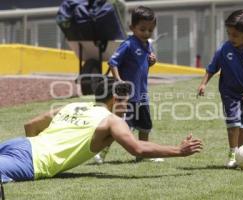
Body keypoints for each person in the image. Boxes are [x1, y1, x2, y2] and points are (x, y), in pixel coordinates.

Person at [0, 78, 203, 182]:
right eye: (125, 102)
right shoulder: (111, 120)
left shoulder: (73, 106)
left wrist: (36, 147)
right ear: (115, 99)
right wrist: (178, 151)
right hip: (32, 161)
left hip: (20, 145)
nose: (127, 107)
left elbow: (31, 125)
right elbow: (137, 148)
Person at [197, 10, 243, 168]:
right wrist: (203, 84)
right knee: (233, 124)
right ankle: (232, 154)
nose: (231, 38)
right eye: (229, 33)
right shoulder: (224, 49)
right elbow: (211, 68)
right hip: (229, 94)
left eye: (235, 35)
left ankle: (242, 155)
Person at [108, 6, 159, 162]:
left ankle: (143, 153)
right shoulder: (128, 44)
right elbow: (113, 61)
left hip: (142, 93)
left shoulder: (147, 44)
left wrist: (152, 61)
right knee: (122, 127)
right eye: (142, 29)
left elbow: (142, 64)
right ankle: (102, 151)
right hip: (128, 95)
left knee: (145, 125)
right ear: (132, 28)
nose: (146, 33)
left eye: (150, 30)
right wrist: (118, 80)